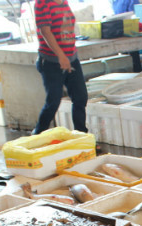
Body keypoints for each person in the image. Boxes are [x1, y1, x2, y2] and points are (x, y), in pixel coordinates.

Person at [33, 0, 88, 135]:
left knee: (80, 97)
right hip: (51, 61)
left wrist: (68, 55)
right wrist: (61, 56)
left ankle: (81, 135)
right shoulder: (42, 3)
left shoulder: (64, 2)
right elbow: (45, 31)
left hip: (72, 58)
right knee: (53, 101)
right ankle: (37, 134)